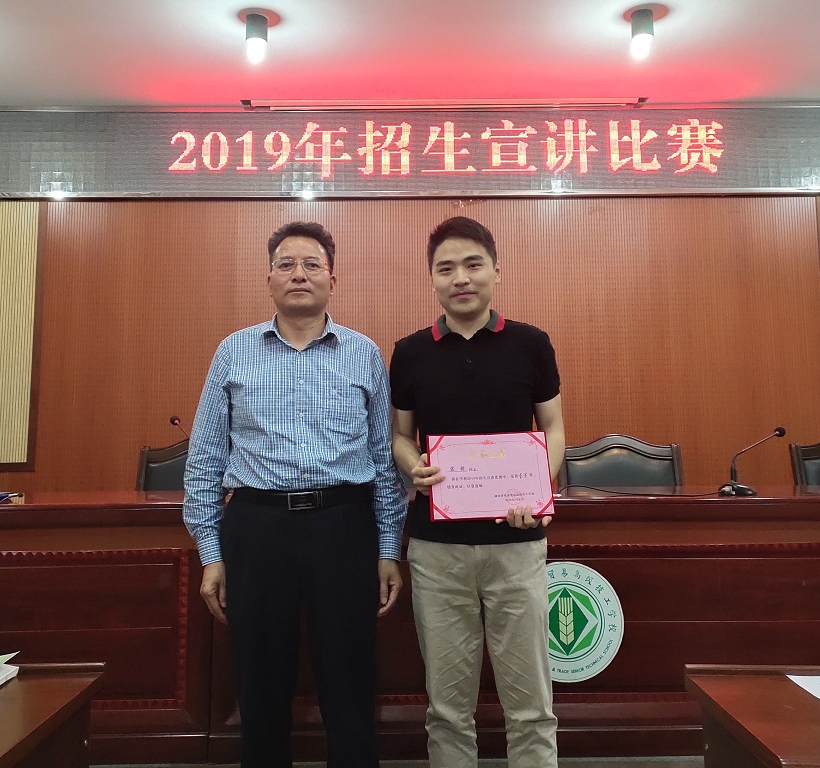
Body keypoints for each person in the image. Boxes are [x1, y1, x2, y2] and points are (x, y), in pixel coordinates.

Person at [183, 220, 407, 768]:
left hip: (343, 527)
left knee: (350, 684)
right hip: (258, 529)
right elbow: (205, 460)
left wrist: (387, 549)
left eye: (312, 264)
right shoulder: (234, 351)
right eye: (286, 265)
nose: (299, 274)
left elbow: (384, 462)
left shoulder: (363, 353)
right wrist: (211, 554)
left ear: (333, 278)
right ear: (269, 279)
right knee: (260, 686)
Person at [390, 216, 565, 768]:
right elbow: (400, 436)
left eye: (473, 265)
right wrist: (413, 466)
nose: (460, 278)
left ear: (495, 271)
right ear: (432, 279)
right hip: (437, 550)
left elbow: (553, 428)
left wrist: (539, 491)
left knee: (531, 708)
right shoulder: (410, 352)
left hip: (516, 547)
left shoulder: (531, 344)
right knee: (447, 710)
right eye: (446, 269)